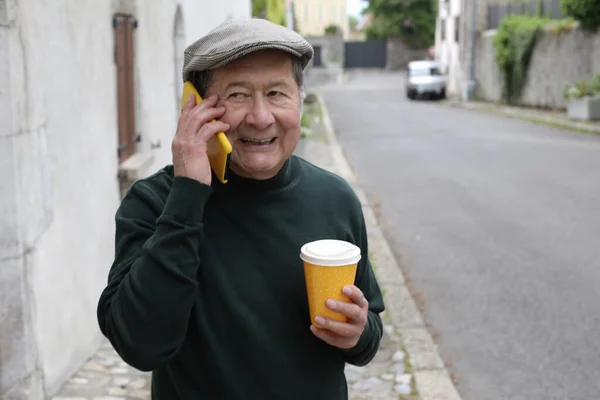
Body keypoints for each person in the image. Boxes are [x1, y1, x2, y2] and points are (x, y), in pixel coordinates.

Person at [97, 17, 385, 400]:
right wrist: (187, 193)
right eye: (237, 95)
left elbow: (369, 333)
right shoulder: (154, 202)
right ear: (196, 107)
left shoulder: (334, 198)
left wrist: (358, 334)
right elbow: (140, 345)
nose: (260, 117)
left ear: (300, 96)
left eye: (277, 93)